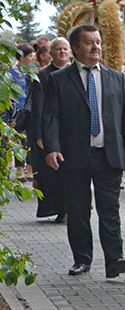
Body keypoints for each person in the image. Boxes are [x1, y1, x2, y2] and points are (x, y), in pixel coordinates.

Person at [42, 24, 125, 278]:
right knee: (78, 209)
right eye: (89, 43)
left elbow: (124, 118)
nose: (96, 47)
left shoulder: (115, 77)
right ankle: (82, 259)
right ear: (75, 49)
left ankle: (114, 260)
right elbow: (50, 117)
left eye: (98, 42)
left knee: (110, 209)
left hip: (108, 154)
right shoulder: (58, 79)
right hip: (74, 155)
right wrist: (52, 148)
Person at [28, 37, 71, 222]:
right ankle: (59, 209)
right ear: (51, 53)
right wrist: (39, 134)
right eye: (58, 49)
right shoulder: (43, 76)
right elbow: (37, 106)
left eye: (65, 49)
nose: (62, 52)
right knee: (53, 173)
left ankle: (72, 207)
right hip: (49, 130)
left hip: (72, 130)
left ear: (70, 52)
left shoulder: (76, 73)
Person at [8, 44, 35, 181]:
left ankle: (30, 170)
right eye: (30, 56)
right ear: (22, 57)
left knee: (29, 140)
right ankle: (20, 170)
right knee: (19, 141)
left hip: (29, 111)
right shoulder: (10, 74)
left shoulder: (32, 73)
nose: (32, 59)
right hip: (15, 112)